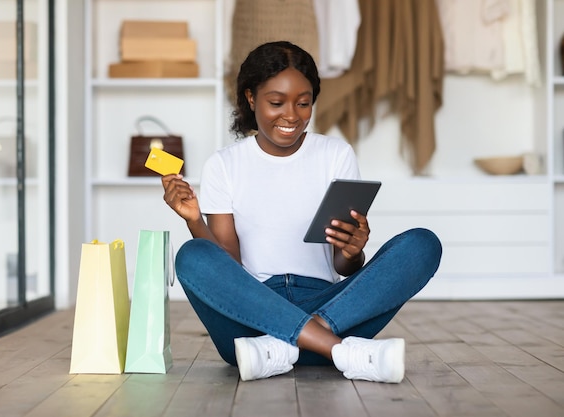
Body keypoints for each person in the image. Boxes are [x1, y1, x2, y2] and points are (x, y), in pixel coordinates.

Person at [161, 41, 442, 383]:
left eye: (304, 103)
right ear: (251, 99)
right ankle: (339, 351)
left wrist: (353, 251)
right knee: (193, 255)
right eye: (276, 102)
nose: (291, 115)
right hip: (252, 310)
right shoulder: (224, 164)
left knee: (423, 244)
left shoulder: (336, 155)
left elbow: (343, 266)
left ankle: (287, 345)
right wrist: (194, 219)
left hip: (328, 305)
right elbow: (227, 266)